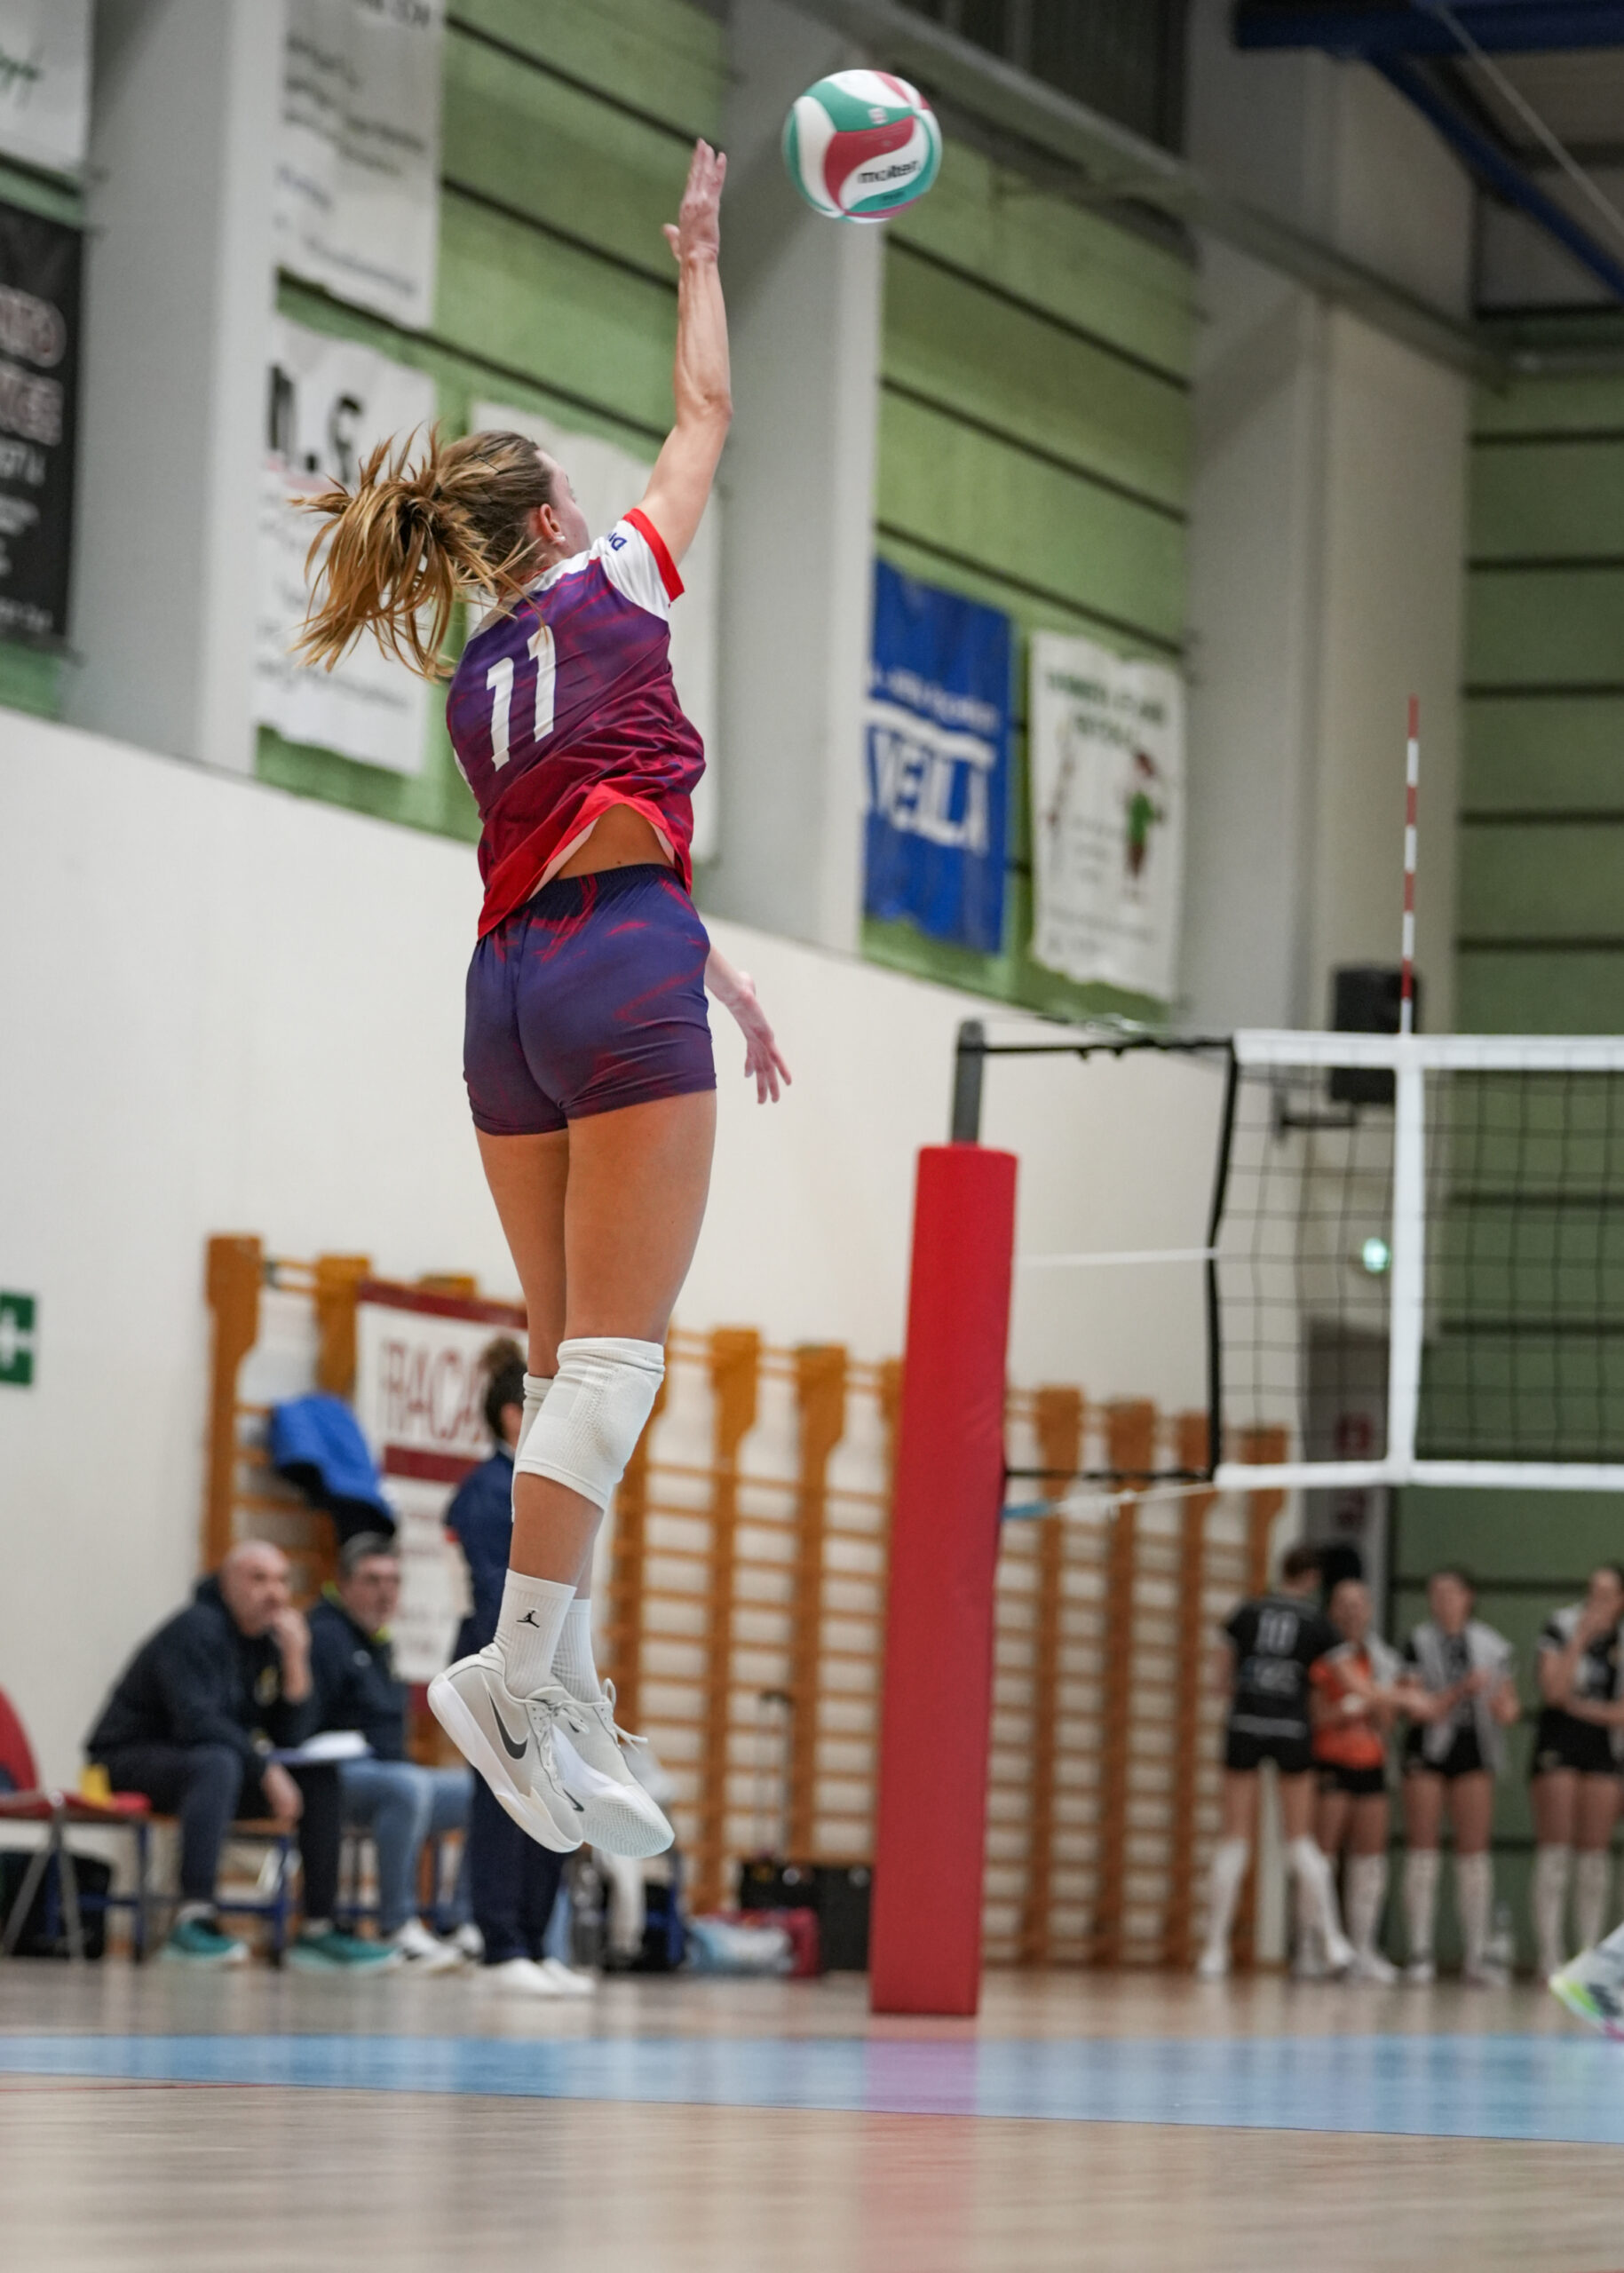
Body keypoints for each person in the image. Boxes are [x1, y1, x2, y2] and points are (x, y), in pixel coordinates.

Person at [296, 140, 787, 1860]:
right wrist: (698, 258)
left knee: (564, 1361)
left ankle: (555, 1679)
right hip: (615, 971)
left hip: (507, 994)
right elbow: (707, 411)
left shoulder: (477, 678)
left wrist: (714, 962)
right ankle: (513, 1670)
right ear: (559, 523)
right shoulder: (617, 582)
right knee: (613, 1366)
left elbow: (584, 828)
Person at [86, 1540, 396, 1970]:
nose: (274, 1592)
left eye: (282, 1581)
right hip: (129, 1760)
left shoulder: (267, 1642)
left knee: (318, 1778)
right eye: (259, 1579)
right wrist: (265, 1770)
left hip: (212, 1769)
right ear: (227, 1584)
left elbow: (290, 1736)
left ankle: (317, 1929)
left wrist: (296, 1663)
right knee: (218, 1762)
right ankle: (193, 1919)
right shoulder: (195, 1629)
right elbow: (197, 1723)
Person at [442, 1338, 592, 1996]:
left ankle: (534, 1938)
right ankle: (499, 1941)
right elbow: (491, 1591)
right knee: (504, 1799)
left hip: (548, 1666)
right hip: (500, 1663)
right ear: (515, 1415)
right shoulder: (485, 1491)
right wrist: (514, 1668)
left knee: (552, 1797)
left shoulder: (547, 1491)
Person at [307, 1532, 472, 1972]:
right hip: (333, 1778)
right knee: (406, 1787)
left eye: (394, 1582)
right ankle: (396, 1924)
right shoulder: (323, 1637)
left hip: (388, 1771)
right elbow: (300, 1723)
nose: (385, 1592)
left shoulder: (379, 1643)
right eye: (372, 1580)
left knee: (486, 1791)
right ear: (344, 1584)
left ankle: (463, 1922)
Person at [1197, 1544, 1351, 1979]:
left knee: (1234, 1839)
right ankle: (1334, 1944)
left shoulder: (1246, 1613)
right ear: (1314, 1579)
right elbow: (1349, 1681)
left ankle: (1214, 1950)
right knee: (1299, 1841)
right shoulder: (1316, 1623)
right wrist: (1386, 1697)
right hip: (1291, 1729)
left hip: (1245, 1724)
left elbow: (1219, 1680)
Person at [1399, 1565, 1519, 1984]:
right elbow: (1417, 1707)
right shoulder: (1418, 1641)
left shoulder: (1491, 1645)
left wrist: (1502, 1707)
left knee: (1473, 1854)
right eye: (1435, 1593)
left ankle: (1476, 1954)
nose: (1442, 1601)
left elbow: (1509, 1705)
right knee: (1423, 1852)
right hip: (1429, 1748)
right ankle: (1419, 1951)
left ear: (1468, 1597)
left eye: (1450, 1592)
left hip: (1474, 1747)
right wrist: (1459, 1690)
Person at [1307, 1577, 1406, 1983]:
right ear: (1331, 1609)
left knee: (1370, 1862)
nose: (1351, 1611)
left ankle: (1363, 1947)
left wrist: (1373, 1699)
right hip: (1332, 1763)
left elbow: (1388, 1719)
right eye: (1342, 1603)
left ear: (1369, 1609)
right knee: (1322, 1859)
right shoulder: (1324, 1658)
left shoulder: (1382, 1659)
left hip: (1371, 1764)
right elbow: (1317, 1715)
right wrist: (1350, 1705)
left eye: (1358, 1603)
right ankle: (1313, 1947)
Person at [1529, 1564, 1624, 1977]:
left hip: (1604, 1746)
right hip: (1559, 1741)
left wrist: (1581, 1707)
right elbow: (1554, 1692)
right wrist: (1581, 1639)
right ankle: (1550, 1955)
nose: (1596, 1601)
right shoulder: (1561, 1625)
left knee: (1594, 1855)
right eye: (1591, 1591)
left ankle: (1589, 1953)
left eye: (1606, 1594)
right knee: (1556, 1850)